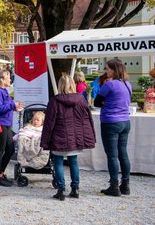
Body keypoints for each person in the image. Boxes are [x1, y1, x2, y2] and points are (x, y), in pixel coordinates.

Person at [41, 75, 96, 200]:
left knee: (58, 162)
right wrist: (88, 137)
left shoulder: (54, 101)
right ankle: (75, 189)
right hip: (75, 138)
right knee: (74, 161)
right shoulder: (82, 100)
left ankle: (61, 190)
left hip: (58, 137)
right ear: (73, 84)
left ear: (60, 85)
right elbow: (87, 120)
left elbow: (49, 123)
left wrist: (46, 140)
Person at [94, 59, 132, 196]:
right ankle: (125, 185)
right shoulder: (127, 84)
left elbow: (97, 102)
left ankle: (114, 186)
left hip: (110, 121)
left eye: (108, 69)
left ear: (114, 70)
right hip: (125, 122)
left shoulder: (109, 85)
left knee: (112, 155)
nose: (106, 71)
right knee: (123, 153)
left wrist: (106, 102)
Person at [0, 69, 22, 186]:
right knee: (1, 150)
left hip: (6, 123)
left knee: (10, 149)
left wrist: (14, 107)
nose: (10, 79)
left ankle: (1, 172)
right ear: (2, 79)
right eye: (8, 77)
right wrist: (12, 105)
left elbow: (4, 106)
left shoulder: (3, 90)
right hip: (0, 123)